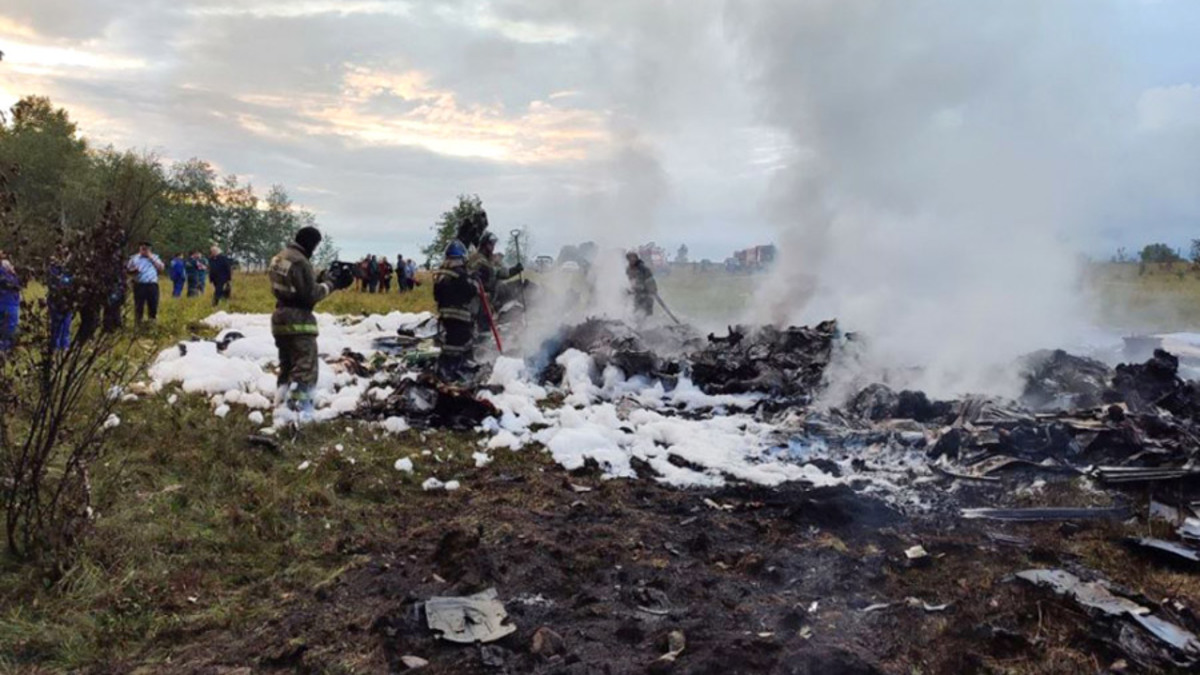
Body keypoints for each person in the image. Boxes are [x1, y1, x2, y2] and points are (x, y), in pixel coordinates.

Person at [268, 226, 346, 420]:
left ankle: (280, 404)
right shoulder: (301, 261)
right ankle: (297, 410)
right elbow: (310, 295)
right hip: (298, 320)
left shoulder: (280, 257)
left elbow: (293, 285)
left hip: (280, 317)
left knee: (287, 365)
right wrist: (330, 284)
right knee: (305, 366)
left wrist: (316, 280)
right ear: (312, 243)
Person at [434, 241, 477, 381]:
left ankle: (446, 366)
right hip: (460, 315)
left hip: (445, 315)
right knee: (460, 344)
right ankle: (455, 369)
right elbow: (469, 292)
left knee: (450, 342)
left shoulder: (440, 274)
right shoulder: (460, 274)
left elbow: (436, 295)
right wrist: (474, 283)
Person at [126, 241, 165, 323]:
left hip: (152, 284)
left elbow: (161, 268)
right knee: (139, 306)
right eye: (142, 248)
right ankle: (138, 324)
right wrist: (133, 271)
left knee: (153, 305)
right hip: (139, 284)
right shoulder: (134, 258)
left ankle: (152, 322)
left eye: (146, 248)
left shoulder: (155, 257)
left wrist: (150, 257)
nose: (144, 250)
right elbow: (127, 270)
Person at [47, 248, 73, 351]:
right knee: (56, 324)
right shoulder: (53, 268)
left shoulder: (70, 269)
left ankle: (65, 346)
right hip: (56, 300)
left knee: (66, 325)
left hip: (68, 300)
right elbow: (53, 284)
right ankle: (55, 347)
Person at [626, 251, 657, 319]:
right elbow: (630, 282)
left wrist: (641, 287)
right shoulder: (628, 270)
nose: (632, 260)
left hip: (647, 295)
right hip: (637, 296)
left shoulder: (644, 269)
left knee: (646, 315)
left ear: (636, 259)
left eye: (633, 258)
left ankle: (648, 328)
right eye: (629, 259)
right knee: (637, 313)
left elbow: (651, 283)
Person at [0, 250, 20, 353]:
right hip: (9, 305)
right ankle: (4, 350)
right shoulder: (9, 276)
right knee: (9, 329)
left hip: (7, 303)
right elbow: (16, 286)